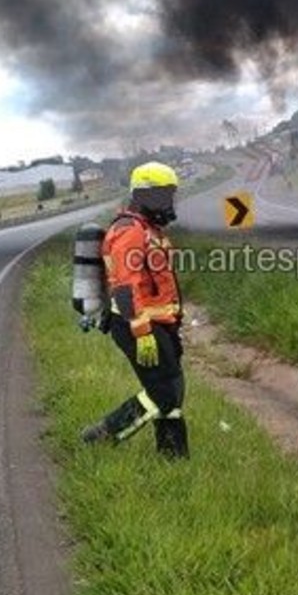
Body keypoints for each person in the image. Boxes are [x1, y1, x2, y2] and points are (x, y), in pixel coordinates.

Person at [80, 161, 189, 459]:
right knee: (164, 394)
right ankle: (104, 434)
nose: (171, 201)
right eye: (166, 194)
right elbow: (125, 287)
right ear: (147, 195)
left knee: (173, 391)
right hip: (136, 325)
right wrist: (141, 330)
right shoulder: (129, 231)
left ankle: (173, 460)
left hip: (159, 323)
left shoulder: (149, 230)